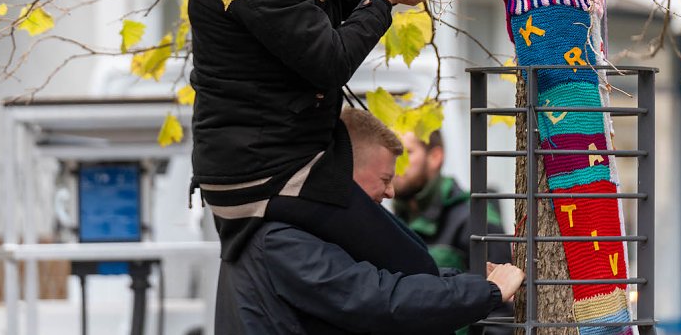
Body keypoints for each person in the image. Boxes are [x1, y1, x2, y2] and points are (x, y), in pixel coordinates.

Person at [171, 0, 437, 275]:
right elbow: (329, 61)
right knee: (412, 269)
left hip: (275, 160)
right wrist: (384, 1)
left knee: (404, 261)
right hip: (263, 171)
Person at [216, 107, 526, 334]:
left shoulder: (296, 229)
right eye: (384, 178)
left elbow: (381, 281)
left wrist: (464, 281)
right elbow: (377, 298)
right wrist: (485, 291)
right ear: (344, 172)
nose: (391, 191)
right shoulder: (281, 239)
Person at [394, 130, 512, 270]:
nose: (396, 162)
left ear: (435, 157)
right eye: (393, 153)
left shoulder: (476, 217)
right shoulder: (392, 219)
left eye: (405, 153)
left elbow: (501, 287)